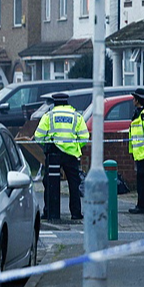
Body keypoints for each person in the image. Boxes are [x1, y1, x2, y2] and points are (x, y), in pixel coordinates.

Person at [33, 92, 89, 220]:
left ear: (54, 103)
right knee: (73, 184)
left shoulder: (49, 116)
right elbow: (85, 137)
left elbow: (38, 136)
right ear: (66, 102)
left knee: (49, 182)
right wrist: (75, 146)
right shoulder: (76, 116)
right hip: (71, 154)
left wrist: (47, 142)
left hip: (54, 153)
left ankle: (48, 212)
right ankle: (76, 213)